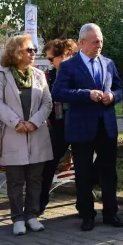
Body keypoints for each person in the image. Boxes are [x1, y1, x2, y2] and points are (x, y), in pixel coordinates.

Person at [52, 24, 123, 231]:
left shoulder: (108, 63)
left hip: (106, 126)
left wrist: (113, 96)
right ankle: (87, 215)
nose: (99, 45)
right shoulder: (69, 66)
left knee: (108, 172)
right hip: (81, 127)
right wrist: (86, 94)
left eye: (101, 41)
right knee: (82, 172)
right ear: (81, 43)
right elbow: (58, 92)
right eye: (95, 42)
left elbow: (120, 88)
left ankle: (111, 213)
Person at [0, 34, 53, 235]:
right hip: (13, 134)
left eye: (34, 49)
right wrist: (16, 122)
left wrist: (34, 122)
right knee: (15, 181)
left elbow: (47, 103)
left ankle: (32, 216)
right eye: (29, 49)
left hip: (36, 133)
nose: (34, 52)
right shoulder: (1, 75)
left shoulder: (39, 74)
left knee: (35, 179)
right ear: (16, 52)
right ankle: (17, 218)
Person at [40, 39, 77, 212]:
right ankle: (40, 203)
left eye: (51, 58)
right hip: (58, 125)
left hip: (78, 123)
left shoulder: (77, 71)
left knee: (82, 164)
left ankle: (83, 204)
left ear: (63, 55)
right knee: (49, 163)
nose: (49, 62)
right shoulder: (50, 74)